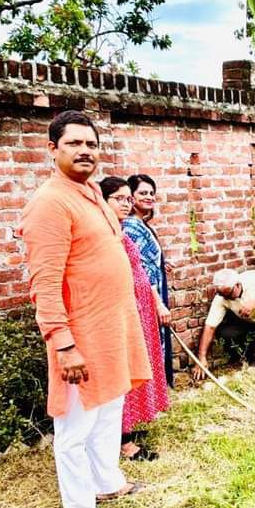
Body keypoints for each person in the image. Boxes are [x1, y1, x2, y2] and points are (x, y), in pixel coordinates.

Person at [19, 111, 151, 508]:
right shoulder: (49, 203)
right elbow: (45, 282)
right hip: (81, 335)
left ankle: (107, 482)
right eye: (74, 143)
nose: (85, 151)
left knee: (109, 410)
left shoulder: (92, 193)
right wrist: (64, 343)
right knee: (75, 426)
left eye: (91, 144)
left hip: (113, 328)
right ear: (52, 149)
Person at [99, 177, 170, 461]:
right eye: (119, 199)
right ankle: (125, 442)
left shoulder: (119, 232)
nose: (126, 204)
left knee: (139, 369)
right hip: (124, 311)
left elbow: (141, 272)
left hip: (140, 307)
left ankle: (129, 428)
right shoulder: (104, 235)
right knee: (123, 372)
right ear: (102, 201)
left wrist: (153, 303)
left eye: (129, 199)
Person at [193, 268, 255, 376]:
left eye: (229, 294)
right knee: (226, 332)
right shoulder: (222, 297)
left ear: (237, 285)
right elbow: (210, 326)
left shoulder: (254, 278)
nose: (227, 298)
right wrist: (201, 358)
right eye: (223, 295)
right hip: (254, 321)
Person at [124, 173, 174, 388]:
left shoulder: (141, 224)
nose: (149, 197)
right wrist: (158, 303)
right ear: (131, 197)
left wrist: (162, 263)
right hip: (147, 295)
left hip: (156, 288)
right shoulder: (130, 227)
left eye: (152, 193)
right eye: (143, 193)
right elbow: (140, 268)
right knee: (151, 341)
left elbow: (149, 258)